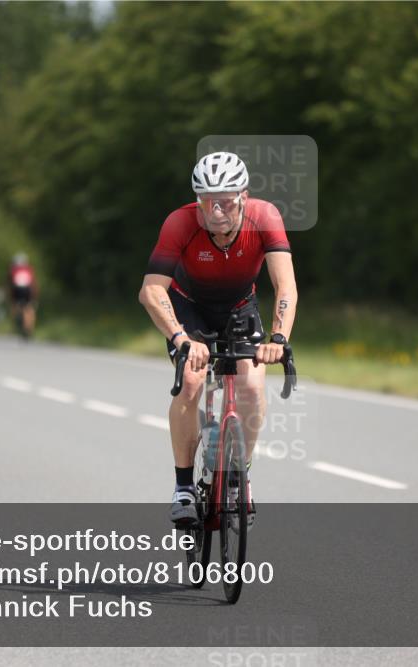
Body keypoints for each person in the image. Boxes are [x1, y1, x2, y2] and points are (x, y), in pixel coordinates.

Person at [139, 152, 298, 526]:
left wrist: (278, 337)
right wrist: (180, 337)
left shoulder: (265, 217)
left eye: (226, 200)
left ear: (244, 195)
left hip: (239, 306)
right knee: (192, 381)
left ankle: (239, 475)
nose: (216, 210)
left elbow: (285, 283)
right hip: (189, 305)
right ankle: (182, 488)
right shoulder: (179, 223)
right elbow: (150, 291)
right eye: (207, 200)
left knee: (253, 388)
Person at [8, 252, 38, 338]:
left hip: (17, 290)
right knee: (29, 308)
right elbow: (33, 283)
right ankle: (28, 328)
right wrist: (34, 295)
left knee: (15, 306)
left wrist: (11, 297)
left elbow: (10, 283)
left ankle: (17, 322)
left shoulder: (13, 269)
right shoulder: (29, 269)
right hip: (28, 290)